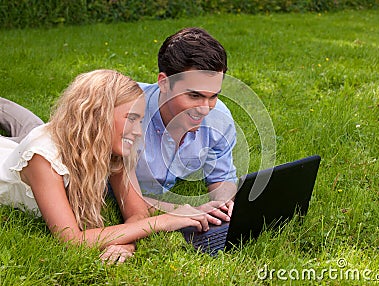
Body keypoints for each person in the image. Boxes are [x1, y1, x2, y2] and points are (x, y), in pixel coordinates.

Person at [0, 70, 209, 264]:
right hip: (12, 156)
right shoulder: (42, 158)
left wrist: (125, 243)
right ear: (98, 116)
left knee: (27, 126)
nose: (137, 131)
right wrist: (163, 221)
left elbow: (136, 212)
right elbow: (71, 240)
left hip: (46, 138)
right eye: (132, 119)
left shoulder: (109, 146)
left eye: (140, 121)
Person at [136, 27, 238, 224]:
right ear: (164, 83)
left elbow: (222, 176)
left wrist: (223, 204)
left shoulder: (219, 119)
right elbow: (117, 195)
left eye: (213, 96)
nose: (204, 109)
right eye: (194, 95)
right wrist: (180, 210)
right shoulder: (126, 115)